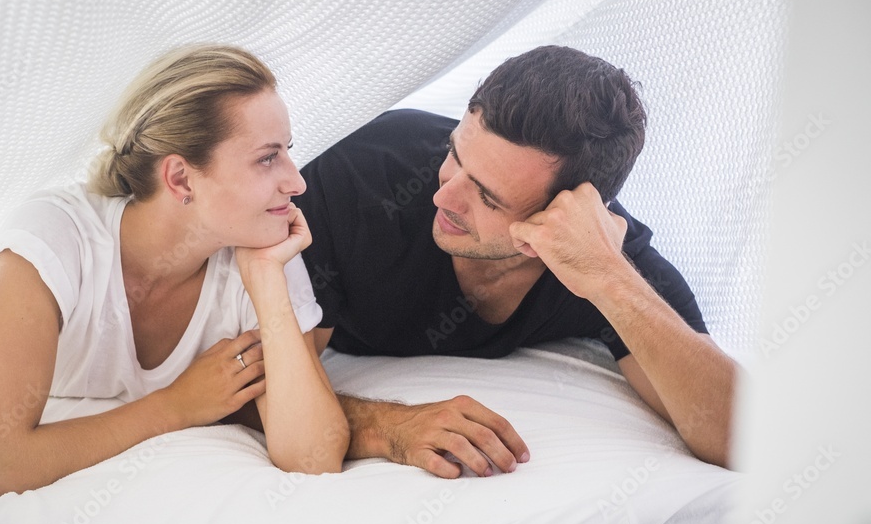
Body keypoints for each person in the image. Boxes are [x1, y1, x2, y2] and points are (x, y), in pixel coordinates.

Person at [295, 45, 736, 478]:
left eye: (487, 196)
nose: (442, 195)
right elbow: (264, 386)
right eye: (454, 155)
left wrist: (610, 279)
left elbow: (745, 438)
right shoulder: (355, 177)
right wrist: (386, 426)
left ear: (563, 214)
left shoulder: (599, 253)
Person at [0, 45, 348, 496]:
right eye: (267, 158)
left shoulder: (261, 245)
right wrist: (175, 406)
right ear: (181, 180)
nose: (297, 181)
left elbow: (314, 456)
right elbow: (2, 463)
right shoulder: (54, 241)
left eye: (288, 151)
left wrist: (267, 283)